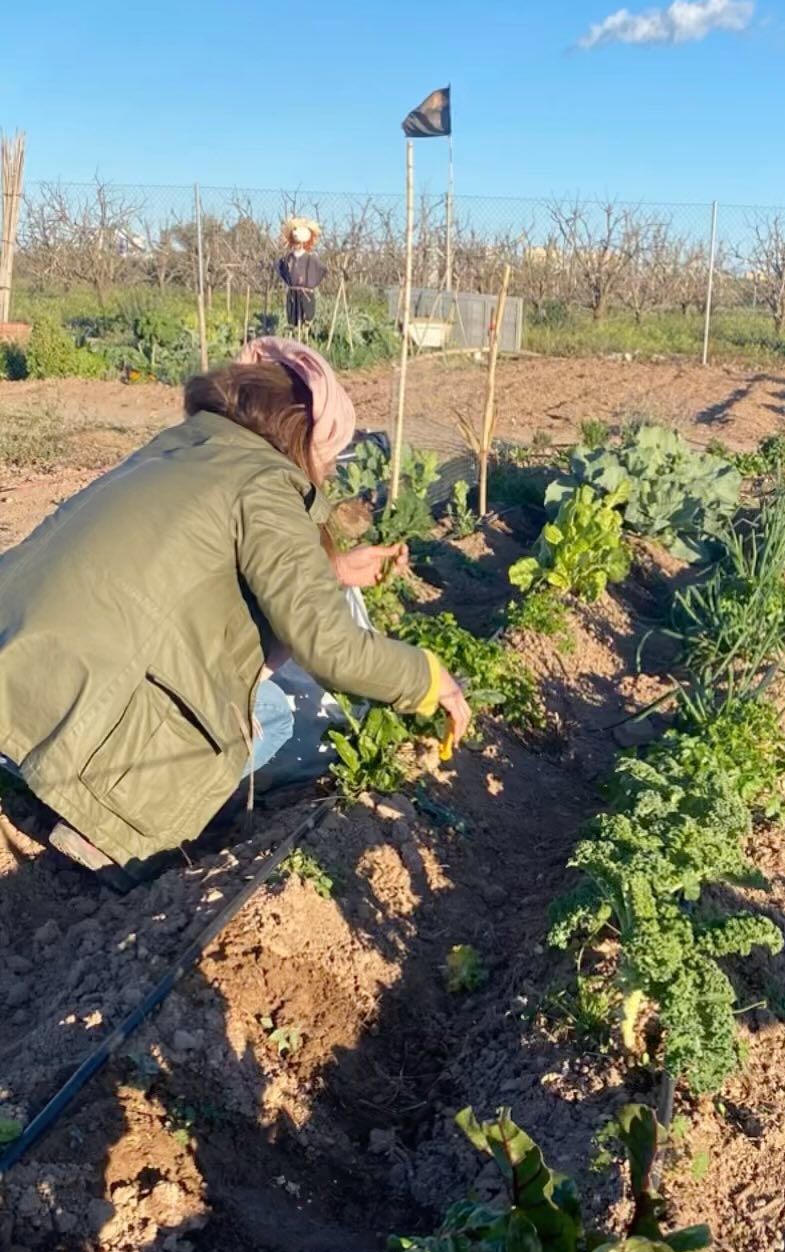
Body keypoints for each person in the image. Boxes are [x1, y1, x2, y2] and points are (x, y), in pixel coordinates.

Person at [0, 338, 470, 887]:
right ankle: (106, 834)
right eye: (330, 457)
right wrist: (430, 677)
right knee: (265, 719)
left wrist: (333, 571)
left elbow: (193, 556)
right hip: (75, 693)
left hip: (19, 655)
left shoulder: (189, 443)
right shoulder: (268, 482)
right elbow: (331, 648)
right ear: (308, 441)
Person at [277, 217, 325, 332]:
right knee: (293, 318)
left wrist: (309, 284)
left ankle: (304, 336)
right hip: (293, 292)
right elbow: (281, 268)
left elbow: (320, 269)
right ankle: (294, 337)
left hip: (305, 293)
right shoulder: (288, 259)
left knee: (305, 317)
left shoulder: (310, 258)